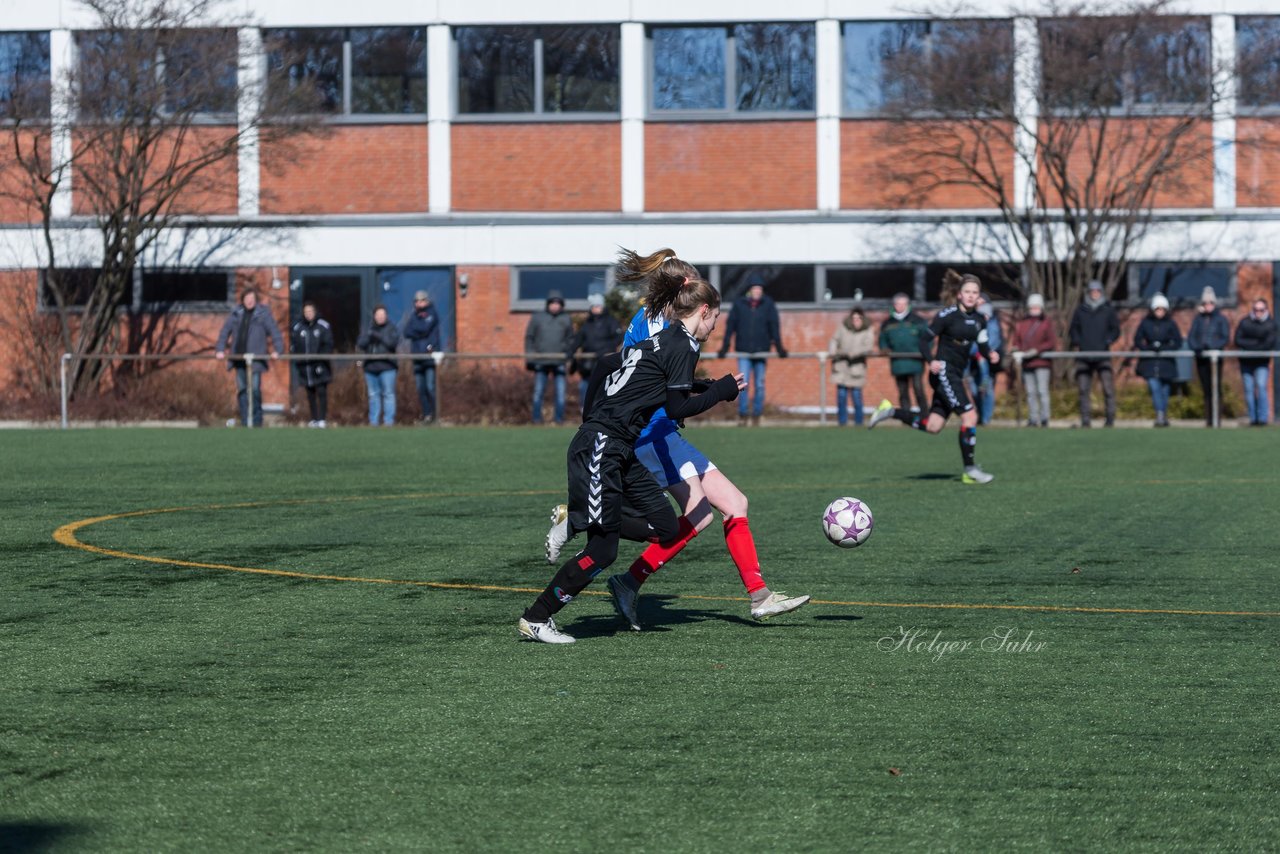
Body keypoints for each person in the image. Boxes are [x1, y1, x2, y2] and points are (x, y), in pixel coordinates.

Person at [545, 250, 810, 628]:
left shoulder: (667, 323)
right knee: (697, 516)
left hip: (663, 431)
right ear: (686, 292)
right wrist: (716, 390)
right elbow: (662, 394)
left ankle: (759, 596)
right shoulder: (664, 327)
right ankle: (595, 539)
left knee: (735, 502)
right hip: (652, 432)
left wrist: (709, 386)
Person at [518, 250, 745, 644]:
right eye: (716, 320)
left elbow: (615, 367)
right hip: (603, 446)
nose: (715, 329)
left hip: (620, 447)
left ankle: (579, 518)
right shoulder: (682, 345)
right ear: (704, 311)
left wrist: (709, 387)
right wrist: (721, 391)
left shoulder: (667, 338)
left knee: (666, 526)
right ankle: (538, 617)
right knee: (603, 552)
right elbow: (676, 405)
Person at [867, 271, 998, 484]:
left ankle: (891, 411)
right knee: (970, 416)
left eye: (975, 292)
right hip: (944, 372)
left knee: (933, 426)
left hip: (957, 373)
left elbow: (982, 345)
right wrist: (931, 360)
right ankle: (970, 470)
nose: (971, 295)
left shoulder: (979, 320)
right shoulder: (947, 316)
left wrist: (990, 354)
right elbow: (923, 340)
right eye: (967, 291)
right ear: (959, 294)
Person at [717, 275, 786, 426]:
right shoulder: (739, 304)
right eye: (755, 288)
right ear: (749, 290)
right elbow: (730, 326)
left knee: (760, 384)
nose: (757, 291)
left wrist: (779, 347)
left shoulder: (768, 305)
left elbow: (774, 326)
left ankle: (757, 415)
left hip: (761, 351)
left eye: (759, 289)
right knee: (744, 384)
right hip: (744, 351)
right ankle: (742, 415)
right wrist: (725, 346)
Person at [214, 289, 284, 427]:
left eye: (252, 298)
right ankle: (246, 420)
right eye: (247, 298)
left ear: (255, 299)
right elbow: (224, 332)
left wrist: (278, 350)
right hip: (239, 359)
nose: (249, 301)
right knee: (242, 390)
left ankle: (257, 421)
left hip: (255, 359)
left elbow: (275, 332)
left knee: (255, 390)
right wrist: (220, 349)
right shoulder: (236, 314)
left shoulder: (263, 314)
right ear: (243, 300)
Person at [1069, 280, 1121, 428]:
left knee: (1108, 388)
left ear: (1101, 292)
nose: (1095, 293)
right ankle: (1085, 420)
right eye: (1092, 291)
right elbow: (1073, 329)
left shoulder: (1108, 310)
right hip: (1084, 355)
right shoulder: (1080, 310)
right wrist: (1078, 341)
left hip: (1103, 354)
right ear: (1088, 293)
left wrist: (1108, 340)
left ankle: (1110, 418)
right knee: (1083, 389)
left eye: (1098, 291)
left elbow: (1115, 329)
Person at [566, 292, 623, 410]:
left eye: (599, 306)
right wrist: (570, 351)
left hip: (604, 361)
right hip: (588, 364)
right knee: (585, 388)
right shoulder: (587, 324)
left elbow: (617, 338)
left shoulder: (610, 321)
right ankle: (584, 409)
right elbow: (578, 340)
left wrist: (605, 349)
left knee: (603, 388)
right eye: (594, 306)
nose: (596, 309)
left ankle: (601, 411)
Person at [524, 291, 574, 425]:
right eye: (553, 303)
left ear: (561, 305)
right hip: (541, 361)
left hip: (560, 361)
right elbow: (529, 338)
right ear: (548, 304)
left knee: (560, 393)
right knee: (538, 392)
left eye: (558, 303)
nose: (555, 306)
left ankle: (559, 420)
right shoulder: (537, 318)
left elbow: (570, 340)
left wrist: (568, 356)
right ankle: (536, 419)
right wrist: (530, 358)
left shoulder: (566, 319)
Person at [1133, 293, 1182, 427]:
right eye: (1157, 309)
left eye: (1162, 309)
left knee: (1165, 390)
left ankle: (1163, 414)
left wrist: (1164, 347)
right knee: (1154, 388)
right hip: (1150, 362)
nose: (1159, 312)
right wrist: (1149, 347)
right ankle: (1159, 414)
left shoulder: (1171, 323)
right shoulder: (1146, 323)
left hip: (1166, 362)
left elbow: (1177, 342)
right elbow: (1137, 339)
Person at [1011, 293, 1058, 427]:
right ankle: (1033, 418)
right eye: (1032, 307)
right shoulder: (1022, 323)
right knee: (1030, 392)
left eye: (1037, 306)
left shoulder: (1046, 322)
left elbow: (1051, 342)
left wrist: (1037, 350)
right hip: (1026, 362)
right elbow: (1017, 340)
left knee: (1042, 391)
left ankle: (1044, 418)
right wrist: (1016, 349)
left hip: (1042, 362)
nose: (1034, 309)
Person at [1187, 286, 1231, 427]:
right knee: (1206, 388)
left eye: (1210, 303)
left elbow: (1224, 337)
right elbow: (1191, 337)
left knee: (1215, 388)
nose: (1208, 306)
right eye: (1205, 303)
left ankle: (1217, 418)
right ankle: (1209, 420)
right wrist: (1199, 347)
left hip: (1216, 358)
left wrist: (1212, 346)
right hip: (1201, 358)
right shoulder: (1198, 319)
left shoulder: (1221, 319)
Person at [879, 292, 929, 413]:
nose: (900, 306)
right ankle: (907, 416)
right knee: (902, 390)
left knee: (918, 389)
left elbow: (928, 338)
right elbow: (882, 340)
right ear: (894, 305)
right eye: (898, 304)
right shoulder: (888, 323)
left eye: (903, 304)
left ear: (908, 305)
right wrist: (885, 349)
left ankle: (925, 415)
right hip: (898, 362)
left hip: (915, 361)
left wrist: (925, 351)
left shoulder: (918, 320)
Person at [1233, 298, 1277, 426]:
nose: (1258, 312)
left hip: (1262, 362)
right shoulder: (1245, 322)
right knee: (1249, 389)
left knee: (1261, 386)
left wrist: (1249, 345)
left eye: (1261, 310)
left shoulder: (1271, 324)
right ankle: (1253, 418)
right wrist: (1257, 343)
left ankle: (1263, 418)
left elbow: (1268, 344)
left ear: (1266, 310)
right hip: (1246, 362)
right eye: (1256, 309)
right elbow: (1238, 340)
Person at [290, 300, 333, 428]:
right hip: (305, 367)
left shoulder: (323, 326)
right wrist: (298, 360)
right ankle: (314, 419)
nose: (308, 314)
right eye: (306, 312)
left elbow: (328, 344)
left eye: (310, 311)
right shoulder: (298, 327)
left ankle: (322, 419)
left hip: (320, 366)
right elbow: (294, 346)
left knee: (321, 391)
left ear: (315, 312)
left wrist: (320, 358)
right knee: (310, 393)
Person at [829, 307, 874, 426]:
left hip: (856, 367)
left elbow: (868, 346)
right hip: (841, 366)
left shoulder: (867, 330)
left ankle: (859, 422)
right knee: (841, 396)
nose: (856, 320)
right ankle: (842, 422)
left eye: (858, 318)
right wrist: (833, 352)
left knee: (856, 396)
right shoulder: (843, 327)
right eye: (854, 318)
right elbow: (834, 340)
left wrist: (855, 353)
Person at [356, 304, 400, 427]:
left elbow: (393, 344)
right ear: (374, 316)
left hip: (388, 367)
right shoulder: (368, 329)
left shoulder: (391, 328)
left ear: (386, 316)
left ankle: (388, 422)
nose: (380, 317)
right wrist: (369, 337)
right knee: (373, 395)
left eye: (382, 315)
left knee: (388, 394)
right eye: (378, 315)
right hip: (370, 367)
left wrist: (380, 337)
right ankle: (374, 422)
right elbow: (360, 344)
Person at [402, 290, 441, 424]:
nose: (419, 303)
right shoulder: (414, 315)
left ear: (427, 301)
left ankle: (436, 416)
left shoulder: (432, 313)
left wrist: (417, 331)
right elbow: (406, 332)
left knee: (430, 387)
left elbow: (424, 328)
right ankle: (427, 415)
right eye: (417, 301)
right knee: (420, 388)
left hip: (429, 357)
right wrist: (419, 331)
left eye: (422, 300)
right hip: (417, 356)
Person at [968, 297, 1002, 425]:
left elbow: (993, 341)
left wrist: (983, 352)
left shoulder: (993, 323)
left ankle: (986, 418)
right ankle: (980, 415)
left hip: (986, 361)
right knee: (974, 390)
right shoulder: (971, 320)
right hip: (973, 361)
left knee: (986, 388)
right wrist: (975, 352)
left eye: (983, 303)